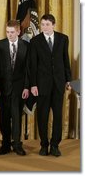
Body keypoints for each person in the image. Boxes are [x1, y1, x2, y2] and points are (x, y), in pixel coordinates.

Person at [30, 14, 71, 157]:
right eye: (42, 24)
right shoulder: (35, 41)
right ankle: (44, 145)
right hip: (42, 85)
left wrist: (68, 80)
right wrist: (33, 84)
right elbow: (33, 65)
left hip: (59, 84)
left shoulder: (63, 38)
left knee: (58, 116)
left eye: (47, 24)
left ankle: (55, 145)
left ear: (53, 25)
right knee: (42, 116)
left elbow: (66, 60)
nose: (45, 27)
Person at [0, 20, 29, 156]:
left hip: (19, 89)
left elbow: (27, 70)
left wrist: (26, 87)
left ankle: (17, 144)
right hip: (2, 89)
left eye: (12, 32)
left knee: (17, 116)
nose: (9, 35)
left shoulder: (26, 46)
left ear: (18, 32)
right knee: (4, 117)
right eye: (7, 32)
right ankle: (5, 144)